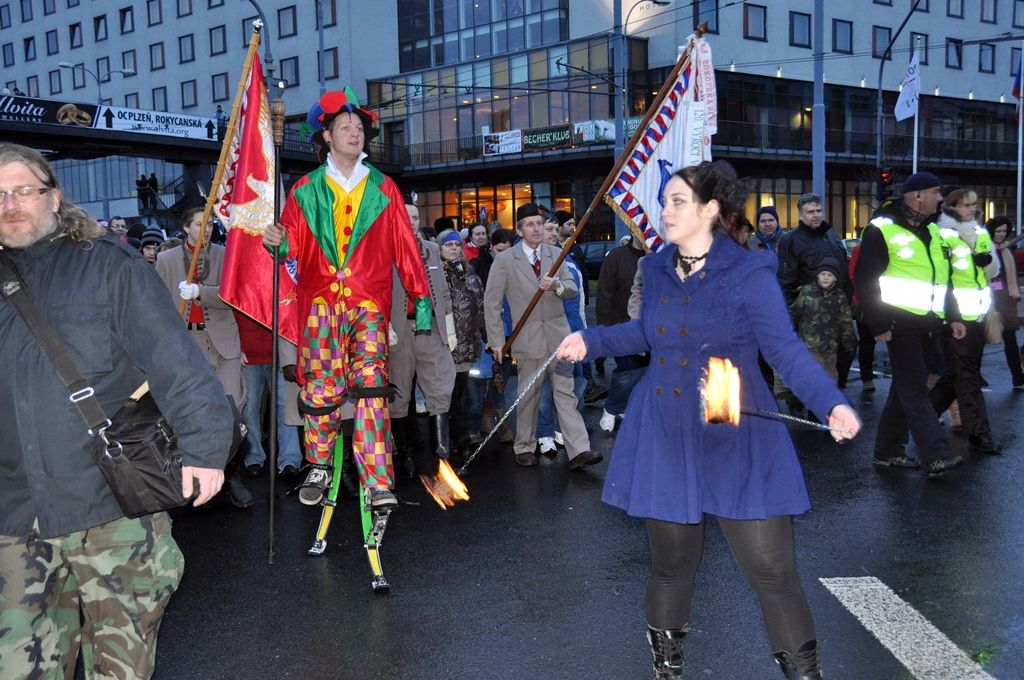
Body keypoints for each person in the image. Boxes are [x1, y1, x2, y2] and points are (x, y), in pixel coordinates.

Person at [556, 161, 860, 679]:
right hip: (666, 429)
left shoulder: (749, 272)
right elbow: (647, 334)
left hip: (736, 427)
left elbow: (784, 350)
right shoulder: (654, 268)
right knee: (673, 565)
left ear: (711, 209)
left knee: (772, 572)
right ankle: (667, 672)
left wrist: (831, 402)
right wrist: (591, 339)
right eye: (665, 201)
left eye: (677, 201)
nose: (665, 210)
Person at [0, 142, 233, 679]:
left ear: (54, 198)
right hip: (16, 516)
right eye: (1, 194)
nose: (11, 203)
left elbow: (175, 361)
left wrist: (204, 448)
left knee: (120, 670)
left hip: (110, 508)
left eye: (25, 191)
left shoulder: (108, 265)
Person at [262, 87, 431, 509]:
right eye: (346, 127)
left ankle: (377, 478)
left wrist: (419, 300)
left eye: (359, 128)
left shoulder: (384, 188)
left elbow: (407, 248)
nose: (355, 133)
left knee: (372, 386)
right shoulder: (304, 190)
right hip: (319, 306)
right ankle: (318, 463)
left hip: (368, 306)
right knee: (320, 390)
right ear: (327, 136)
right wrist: (276, 242)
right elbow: (291, 251)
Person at [854, 171, 967, 478]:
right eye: (935, 192)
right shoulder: (882, 228)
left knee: (904, 389)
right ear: (917, 196)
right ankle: (936, 455)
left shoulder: (935, 231)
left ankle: (887, 452)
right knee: (915, 389)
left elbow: (944, 281)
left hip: (928, 324)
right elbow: (866, 279)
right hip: (897, 322)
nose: (940, 198)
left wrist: (953, 316)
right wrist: (878, 325)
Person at [484, 203, 599, 469]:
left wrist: (557, 286)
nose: (536, 229)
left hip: (559, 337)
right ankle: (524, 446)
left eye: (540, 224)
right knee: (529, 396)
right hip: (527, 339)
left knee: (565, 394)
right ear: (520, 230)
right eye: (531, 224)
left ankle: (579, 450)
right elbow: (491, 303)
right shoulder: (504, 260)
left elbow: (572, 288)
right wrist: (497, 340)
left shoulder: (556, 254)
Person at [155, 207, 253, 507]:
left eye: (210, 222)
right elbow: (156, 305)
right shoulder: (166, 260)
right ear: (186, 227)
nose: (207, 228)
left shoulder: (227, 255)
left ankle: (232, 476)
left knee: (232, 413)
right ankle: (199, 478)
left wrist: (200, 292)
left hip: (224, 344)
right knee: (196, 414)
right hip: (187, 344)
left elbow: (235, 294)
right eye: (200, 223)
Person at [388, 195, 456, 478]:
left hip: (430, 328)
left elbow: (442, 293)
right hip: (399, 331)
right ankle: (402, 455)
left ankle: (442, 453)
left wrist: (450, 333)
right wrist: (385, 328)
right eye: (406, 217)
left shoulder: (431, 249)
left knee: (440, 387)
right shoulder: (385, 250)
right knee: (398, 391)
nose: (412, 222)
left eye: (415, 217)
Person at [928, 189, 1000, 453]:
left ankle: (916, 419)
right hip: (956, 318)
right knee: (968, 378)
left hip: (979, 315)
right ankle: (980, 435)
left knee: (955, 377)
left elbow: (993, 271)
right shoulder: (942, 233)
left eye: (974, 204)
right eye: (966, 205)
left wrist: (987, 262)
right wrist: (948, 317)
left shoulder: (980, 232)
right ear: (951, 207)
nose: (972, 209)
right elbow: (940, 276)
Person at [777, 193, 854, 386]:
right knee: (815, 363)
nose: (816, 215)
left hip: (838, 306)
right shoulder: (791, 240)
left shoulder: (830, 234)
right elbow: (786, 280)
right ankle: (813, 408)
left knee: (846, 351)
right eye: (810, 212)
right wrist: (790, 316)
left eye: (818, 210)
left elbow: (842, 269)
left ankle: (835, 396)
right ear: (801, 215)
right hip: (812, 313)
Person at [437, 227, 486, 455]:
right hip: (444, 348)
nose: (454, 248)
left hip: (467, 348)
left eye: (457, 244)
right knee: (449, 399)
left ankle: (458, 442)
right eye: (448, 245)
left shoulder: (471, 275)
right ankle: (457, 444)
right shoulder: (435, 275)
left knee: (460, 397)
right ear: (439, 248)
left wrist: (488, 339)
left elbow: (482, 309)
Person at [595, 232, 649, 432]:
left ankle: (630, 408)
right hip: (620, 326)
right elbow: (604, 294)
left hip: (650, 329)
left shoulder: (659, 259)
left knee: (644, 373)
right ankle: (611, 408)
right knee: (627, 371)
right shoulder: (616, 257)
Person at [789, 257, 857, 382]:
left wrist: (849, 343)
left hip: (830, 348)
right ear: (817, 276)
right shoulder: (807, 292)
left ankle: (830, 400)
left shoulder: (840, 296)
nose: (826, 277)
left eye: (830, 275)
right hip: (810, 347)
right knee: (812, 379)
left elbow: (845, 322)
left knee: (831, 378)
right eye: (823, 274)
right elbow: (794, 313)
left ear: (835, 278)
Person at [985, 216, 1024, 387]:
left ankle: (1017, 376)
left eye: (1004, 231)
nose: (1001, 234)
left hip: (1007, 300)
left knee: (1010, 339)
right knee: (981, 340)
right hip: (989, 299)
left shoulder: (1006, 250)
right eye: (998, 231)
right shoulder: (986, 248)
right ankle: (974, 375)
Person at [847, 243, 878, 391]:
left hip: (887, 301)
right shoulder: (860, 249)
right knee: (866, 342)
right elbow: (853, 274)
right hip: (865, 301)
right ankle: (867, 377)